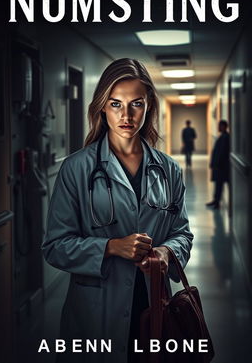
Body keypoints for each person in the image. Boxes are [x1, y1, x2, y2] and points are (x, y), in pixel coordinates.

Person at [41, 58, 193, 363]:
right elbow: (55, 247)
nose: (126, 115)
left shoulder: (168, 169)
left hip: (153, 305)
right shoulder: (77, 169)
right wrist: (110, 247)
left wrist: (167, 253)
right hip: (95, 311)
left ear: (149, 104)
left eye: (136, 103)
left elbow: (182, 233)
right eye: (115, 104)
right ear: (102, 107)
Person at [206, 120, 230, 210]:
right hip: (219, 166)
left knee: (219, 184)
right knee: (218, 185)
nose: (218, 127)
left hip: (221, 166)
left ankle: (217, 202)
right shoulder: (222, 136)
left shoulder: (225, 137)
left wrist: (216, 164)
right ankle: (215, 200)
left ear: (224, 126)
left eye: (220, 126)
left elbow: (222, 153)